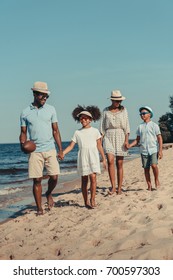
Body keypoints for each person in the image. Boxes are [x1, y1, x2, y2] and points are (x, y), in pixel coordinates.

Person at [19, 81, 63, 215]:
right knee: (37, 179)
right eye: (42, 95)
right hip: (35, 151)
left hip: (50, 148)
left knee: (54, 177)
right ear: (34, 94)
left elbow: (56, 130)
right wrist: (23, 144)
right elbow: (23, 133)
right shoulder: (25, 113)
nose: (45, 98)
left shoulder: (51, 109)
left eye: (46, 96)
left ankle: (49, 193)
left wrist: (60, 149)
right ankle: (39, 208)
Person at [61, 105, 107, 209]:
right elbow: (71, 146)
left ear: (90, 119)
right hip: (83, 157)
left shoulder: (95, 131)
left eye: (86, 118)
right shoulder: (77, 132)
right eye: (81, 118)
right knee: (84, 180)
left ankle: (93, 199)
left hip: (93, 156)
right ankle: (86, 201)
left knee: (93, 178)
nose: (83, 120)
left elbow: (99, 145)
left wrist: (103, 158)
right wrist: (63, 153)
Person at [100, 90, 130, 195]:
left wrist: (126, 140)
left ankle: (120, 187)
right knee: (110, 161)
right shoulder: (105, 111)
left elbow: (127, 126)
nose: (118, 102)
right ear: (112, 100)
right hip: (108, 136)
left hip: (121, 135)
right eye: (116, 100)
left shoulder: (124, 110)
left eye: (119, 100)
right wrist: (99, 142)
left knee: (120, 163)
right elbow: (102, 127)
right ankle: (113, 186)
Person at [128, 106, 163, 191]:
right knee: (146, 168)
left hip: (153, 149)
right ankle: (149, 185)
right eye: (141, 114)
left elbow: (159, 138)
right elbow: (137, 140)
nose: (142, 115)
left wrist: (160, 150)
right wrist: (129, 145)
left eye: (144, 113)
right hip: (143, 151)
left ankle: (156, 179)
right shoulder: (140, 126)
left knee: (154, 165)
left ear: (149, 114)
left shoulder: (154, 125)